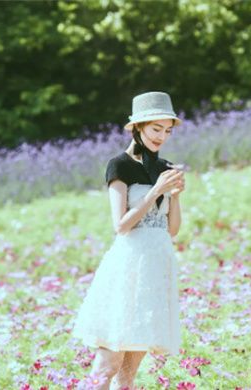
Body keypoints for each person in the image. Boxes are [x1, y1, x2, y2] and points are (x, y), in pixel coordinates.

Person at [72, 91, 185, 390]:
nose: (162, 137)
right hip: (128, 265)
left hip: (155, 267)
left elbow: (171, 229)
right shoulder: (119, 165)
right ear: (138, 127)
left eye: (167, 131)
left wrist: (174, 195)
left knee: (128, 376)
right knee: (107, 365)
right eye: (155, 129)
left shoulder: (165, 168)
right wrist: (154, 191)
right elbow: (120, 225)